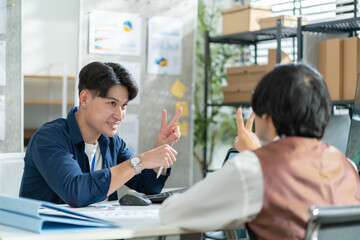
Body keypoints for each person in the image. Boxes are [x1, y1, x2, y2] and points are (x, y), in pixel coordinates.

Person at [159, 63, 360, 239]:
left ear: (269, 114)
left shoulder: (253, 168)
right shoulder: (348, 167)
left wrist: (255, 156)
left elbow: (174, 214)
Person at [20, 61, 182, 207]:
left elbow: (148, 186)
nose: (119, 115)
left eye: (124, 106)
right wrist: (140, 161)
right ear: (84, 99)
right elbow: (76, 192)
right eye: (112, 103)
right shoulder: (49, 137)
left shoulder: (112, 142)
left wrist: (159, 155)